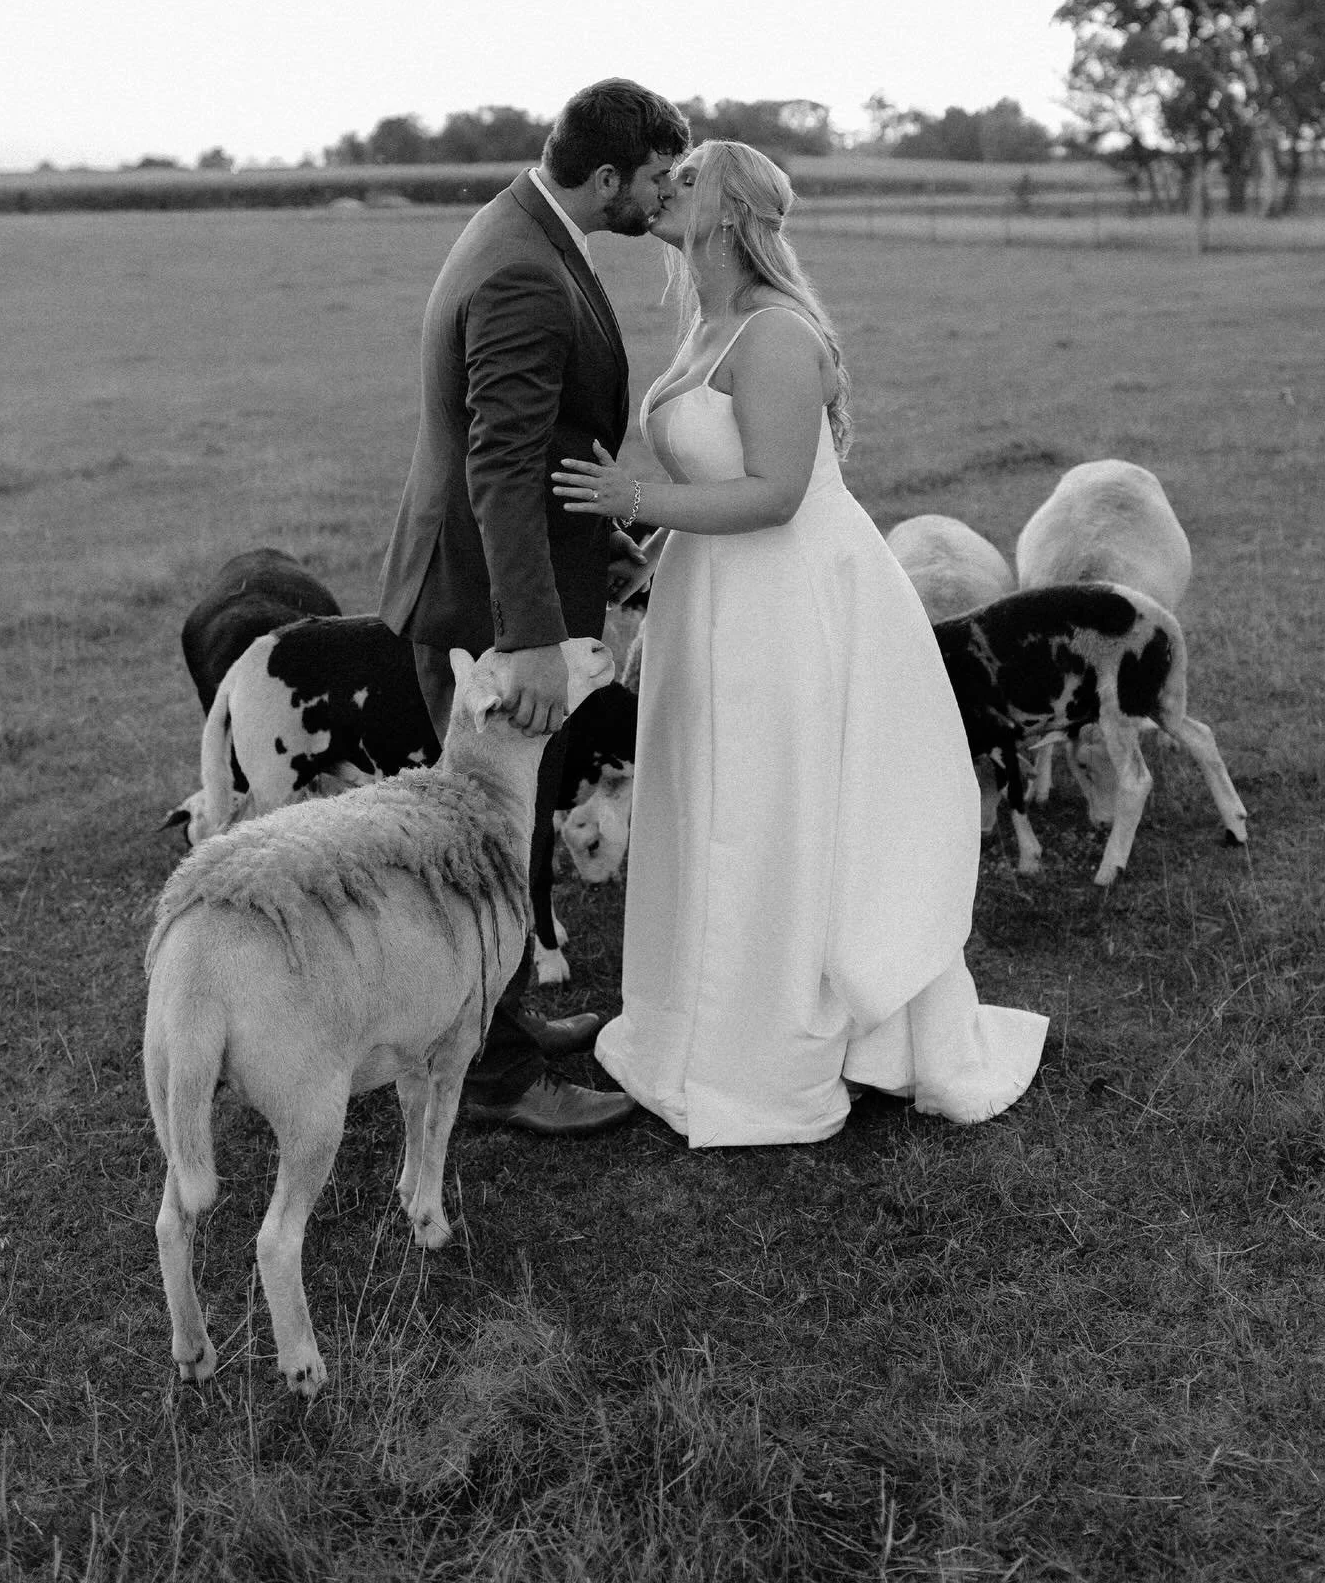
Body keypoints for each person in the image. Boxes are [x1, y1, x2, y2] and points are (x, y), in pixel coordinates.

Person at [552, 140, 1048, 1147]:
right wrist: (646, 539)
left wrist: (635, 495)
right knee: (712, 802)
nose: (664, 186)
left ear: (730, 208)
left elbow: (777, 494)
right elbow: (723, 475)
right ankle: (696, 1025)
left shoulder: (774, 335)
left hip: (787, 603)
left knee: (774, 809)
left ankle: (778, 1051)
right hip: (715, 590)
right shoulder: (711, 325)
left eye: (686, 176)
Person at [378, 78, 691, 1135]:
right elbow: (502, 467)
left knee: (508, 838)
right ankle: (498, 1079)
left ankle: (509, 1026)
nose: (662, 195)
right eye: (654, 177)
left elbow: (541, 441)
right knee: (487, 848)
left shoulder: (527, 226)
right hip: (488, 615)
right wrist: (531, 645)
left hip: (506, 586)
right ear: (607, 176)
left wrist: (604, 540)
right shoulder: (522, 270)